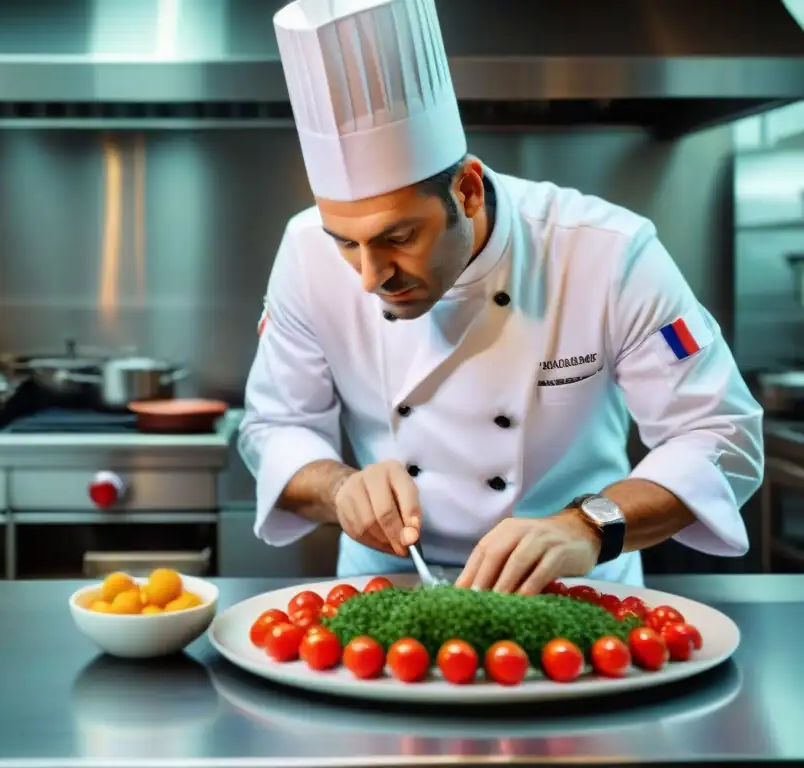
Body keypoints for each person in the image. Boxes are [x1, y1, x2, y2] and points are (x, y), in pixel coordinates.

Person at [238, 0, 764, 593]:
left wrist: (587, 527)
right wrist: (339, 489)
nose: (369, 276)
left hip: (575, 589)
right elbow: (273, 427)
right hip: (388, 590)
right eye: (346, 243)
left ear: (466, 189)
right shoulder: (305, 252)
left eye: (400, 237)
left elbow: (720, 434)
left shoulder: (608, 253)